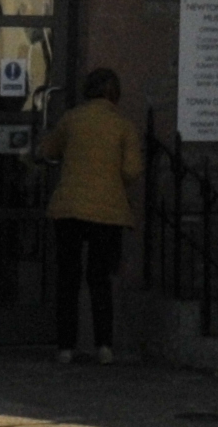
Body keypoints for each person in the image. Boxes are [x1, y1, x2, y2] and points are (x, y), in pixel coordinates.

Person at [38, 66, 141, 362]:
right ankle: (104, 346)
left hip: (69, 207)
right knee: (99, 280)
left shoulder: (72, 119)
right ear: (115, 94)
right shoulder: (123, 126)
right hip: (107, 213)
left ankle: (65, 348)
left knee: (67, 278)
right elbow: (132, 171)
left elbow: (49, 150)